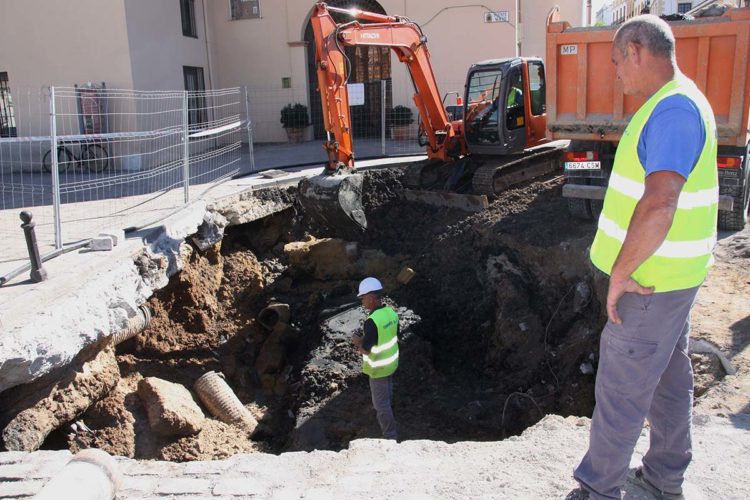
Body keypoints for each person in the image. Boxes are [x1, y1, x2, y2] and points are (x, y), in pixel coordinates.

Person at [570, 14, 718, 500]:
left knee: (621, 390)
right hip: (673, 279)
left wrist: (621, 273)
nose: (616, 72)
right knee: (669, 380)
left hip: (647, 285)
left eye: (617, 61)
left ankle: (599, 489)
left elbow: (660, 202)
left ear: (636, 49)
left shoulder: (673, 110)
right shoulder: (678, 101)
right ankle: (664, 478)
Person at [351, 277, 399, 440]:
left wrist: (358, 342)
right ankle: (390, 417)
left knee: (381, 405)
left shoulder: (371, 322)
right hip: (391, 363)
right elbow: (391, 335)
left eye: (363, 298)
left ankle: (390, 436)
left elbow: (366, 350)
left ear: (371, 297)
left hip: (378, 369)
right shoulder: (391, 312)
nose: (362, 301)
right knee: (387, 396)